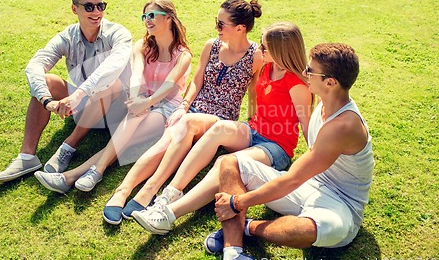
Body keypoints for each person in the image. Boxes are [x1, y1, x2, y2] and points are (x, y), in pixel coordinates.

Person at [132, 22, 313, 233]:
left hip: (276, 146)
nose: (259, 50)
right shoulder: (267, 67)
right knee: (217, 130)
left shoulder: (297, 84)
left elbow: (307, 124)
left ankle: (169, 214)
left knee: (224, 163)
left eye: (264, 47)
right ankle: (169, 194)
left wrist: (316, 164)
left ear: (281, 51)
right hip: (254, 130)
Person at [210, 43, 373, 260]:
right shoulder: (325, 104)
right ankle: (233, 254)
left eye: (310, 71)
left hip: (341, 205)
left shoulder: (344, 125)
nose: (304, 73)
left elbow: (292, 179)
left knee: (306, 230)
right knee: (230, 162)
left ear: (330, 82)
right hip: (310, 186)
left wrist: (237, 203)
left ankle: (247, 227)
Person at [102, 0, 264, 225]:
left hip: (220, 118)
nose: (216, 28)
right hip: (193, 110)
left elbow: (254, 93)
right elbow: (197, 81)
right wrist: (183, 106)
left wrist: (253, 122)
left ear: (240, 28)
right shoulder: (212, 45)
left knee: (185, 126)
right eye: (216, 22)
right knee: (164, 144)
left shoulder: (256, 56)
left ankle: (148, 190)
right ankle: (122, 190)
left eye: (221, 24)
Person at [32, 0, 192, 194]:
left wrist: (147, 102)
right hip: (141, 99)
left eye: (152, 15)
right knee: (129, 127)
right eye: (144, 16)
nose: (147, 20)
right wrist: (135, 98)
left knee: (126, 139)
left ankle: (75, 175)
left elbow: (169, 85)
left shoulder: (183, 55)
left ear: (168, 18)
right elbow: (137, 73)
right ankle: (85, 174)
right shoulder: (142, 46)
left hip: (166, 107)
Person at [0, 0, 132, 183]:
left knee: (111, 82)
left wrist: (78, 95)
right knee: (47, 80)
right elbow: (35, 65)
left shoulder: (118, 34)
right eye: (89, 6)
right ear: (74, 9)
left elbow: (112, 68)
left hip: (116, 112)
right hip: (83, 107)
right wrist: (47, 101)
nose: (96, 11)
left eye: (100, 5)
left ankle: (68, 146)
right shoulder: (68, 36)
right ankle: (27, 156)